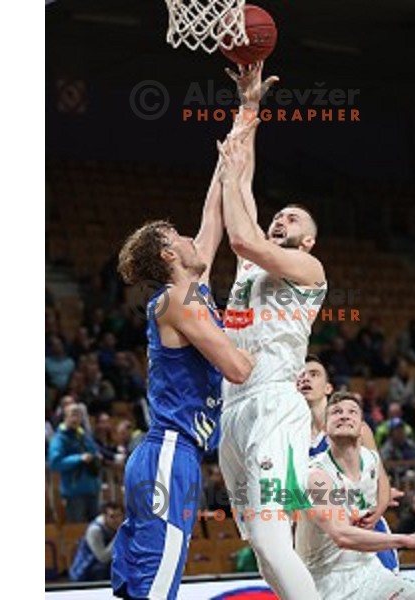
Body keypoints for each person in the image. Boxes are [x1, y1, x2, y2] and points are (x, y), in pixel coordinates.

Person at [111, 120, 256, 600]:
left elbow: (211, 215)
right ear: (168, 250)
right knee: (155, 588)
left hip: (176, 456)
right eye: (181, 235)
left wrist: (238, 133)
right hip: (168, 454)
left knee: (147, 585)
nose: (195, 237)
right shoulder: (180, 300)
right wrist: (269, 351)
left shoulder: (190, 290)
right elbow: (237, 369)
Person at [217, 62, 326, 600]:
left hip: (275, 405)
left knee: (269, 532)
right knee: (262, 548)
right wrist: (248, 109)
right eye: (278, 215)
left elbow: (241, 235)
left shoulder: (309, 271)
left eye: (294, 220)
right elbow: (241, 181)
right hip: (232, 407)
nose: (282, 220)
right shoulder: (254, 263)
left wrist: (234, 175)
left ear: (307, 241)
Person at [295, 391, 415, 599]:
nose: (344, 416)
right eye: (336, 412)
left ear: (362, 427)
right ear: (325, 429)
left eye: (352, 412)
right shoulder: (315, 476)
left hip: (369, 570)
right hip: (325, 580)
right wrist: (406, 540)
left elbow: (380, 489)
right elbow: (341, 535)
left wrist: (382, 502)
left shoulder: (371, 459)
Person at [297, 354, 400, 572]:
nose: (306, 379)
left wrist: (377, 511)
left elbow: (381, 478)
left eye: (314, 374)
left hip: (366, 527)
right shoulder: (292, 438)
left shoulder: (356, 428)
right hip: (324, 539)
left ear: (328, 387)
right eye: (301, 375)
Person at [48, 403, 102, 523]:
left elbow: (95, 451)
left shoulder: (84, 436)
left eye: (79, 415)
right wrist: (79, 458)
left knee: (95, 528)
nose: (76, 419)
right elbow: (55, 463)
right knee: (78, 531)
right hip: (74, 493)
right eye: (73, 415)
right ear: (65, 417)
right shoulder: (59, 439)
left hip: (92, 489)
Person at [69, 502, 124, 581]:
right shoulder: (95, 530)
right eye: (112, 517)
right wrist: (119, 535)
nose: (116, 520)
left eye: (119, 516)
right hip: (84, 572)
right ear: (104, 517)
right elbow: (103, 558)